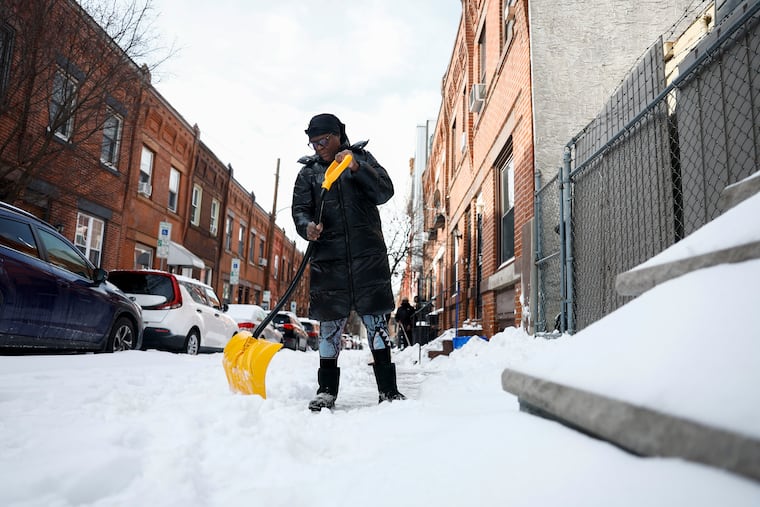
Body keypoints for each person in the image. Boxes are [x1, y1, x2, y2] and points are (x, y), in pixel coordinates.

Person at [292, 113, 405, 411]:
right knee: (329, 327)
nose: (318, 147)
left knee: (376, 323)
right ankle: (326, 390)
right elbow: (300, 210)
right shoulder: (309, 173)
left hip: (367, 259)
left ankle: (388, 390)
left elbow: (384, 191)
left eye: (323, 140)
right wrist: (307, 227)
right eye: (313, 143)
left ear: (338, 134)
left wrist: (357, 167)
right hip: (329, 262)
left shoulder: (362, 158)